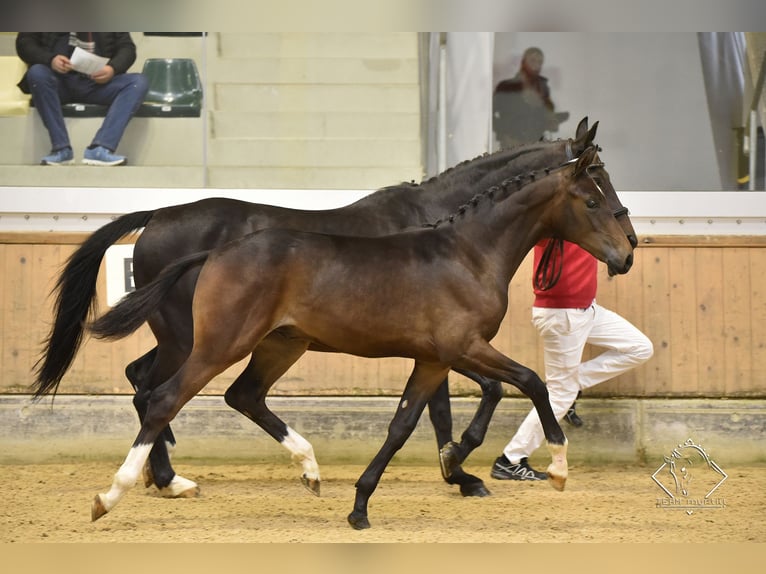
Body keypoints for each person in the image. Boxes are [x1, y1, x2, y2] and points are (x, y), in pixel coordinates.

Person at [490, 239, 653, 481]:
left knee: (640, 348)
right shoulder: (554, 222)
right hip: (563, 314)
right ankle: (510, 460)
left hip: (588, 310)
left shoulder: (584, 218)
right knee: (559, 395)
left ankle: (570, 385)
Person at [16, 33, 148, 166]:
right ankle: (61, 149)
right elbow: (24, 43)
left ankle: (101, 148)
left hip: (97, 84)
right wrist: (50, 59)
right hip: (57, 81)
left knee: (138, 82)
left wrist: (112, 68)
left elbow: (127, 48)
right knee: (37, 73)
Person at [492, 46, 569, 149]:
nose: (536, 64)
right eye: (532, 60)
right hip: (511, 146)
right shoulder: (506, 87)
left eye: (539, 62)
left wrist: (552, 121)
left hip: (535, 146)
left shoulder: (543, 88)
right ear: (524, 61)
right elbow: (491, 114)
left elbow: (545, 115)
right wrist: (503, 134)